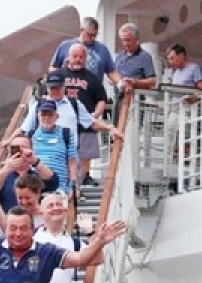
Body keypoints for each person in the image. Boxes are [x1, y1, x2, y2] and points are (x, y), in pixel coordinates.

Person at [56, 43, 111, 186]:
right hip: (63, 124)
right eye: (75, 56)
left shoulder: (92, 78)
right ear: (69, 57)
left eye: (81, 57)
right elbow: (46, 95)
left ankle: (81, 181)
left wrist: (96, 114)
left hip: (86, 123)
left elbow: (101, 99)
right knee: (63, 156)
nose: (78, 59)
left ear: (85, 59)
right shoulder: (59, 76)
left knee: (86, 155)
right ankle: (66, 182)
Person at [0, 132, 59, 213]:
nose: (20, 152)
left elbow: (53, 181)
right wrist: (6, 169)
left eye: (24, 148)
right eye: (15, 148)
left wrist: (34, 161)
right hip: (6, 222)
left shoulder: (36, 176)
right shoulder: (2, 174)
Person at [163, 44, 202, 163]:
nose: (170, 62)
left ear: (182, 56)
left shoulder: (194, 68)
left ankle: (187, 162)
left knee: (185, 136)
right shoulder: (175, 73)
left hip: (188, 109)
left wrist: (192, 97)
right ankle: (171, 162)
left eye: (172, 58)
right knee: (170, 134)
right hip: (175, 108)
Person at [49, 16, 120, 87]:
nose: (92, 38)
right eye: (90, 35)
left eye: (95, 35)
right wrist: (62, 71)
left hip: (93, 92)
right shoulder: (65, 46)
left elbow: (111, 72)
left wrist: (121, 84)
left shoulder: (102, 49)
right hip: (69, 91)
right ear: (81, 30)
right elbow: (52, 69)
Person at [113, 22, 158, 123]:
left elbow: (152, 81)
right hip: (118, 100)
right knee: (116, 132)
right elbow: (111, 76)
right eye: (123, 40)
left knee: (131, 134)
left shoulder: (145, 57)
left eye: (128, 40)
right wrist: (118, 81)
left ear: (136, 40)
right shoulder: (119, 57)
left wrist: (134, 82)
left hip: (135, 103)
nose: (125, 43)